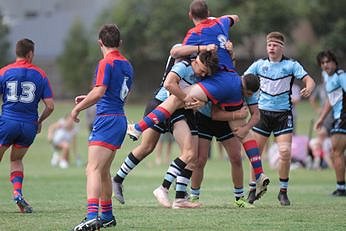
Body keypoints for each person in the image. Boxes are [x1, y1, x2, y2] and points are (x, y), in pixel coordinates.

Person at [128, 0, 270, 200]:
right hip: (233, 80)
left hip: (217, 83)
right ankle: (259, 171)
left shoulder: (194, 35)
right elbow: (235, 17)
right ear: (209, 12)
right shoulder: (221, 23)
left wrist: (202, 46)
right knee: (240, 131)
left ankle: (138, 127)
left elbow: (175, 52)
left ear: (190, 15)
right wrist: (225, 35)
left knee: (177, 99)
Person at [70, 24, 134, 231]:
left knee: (93, 169)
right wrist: (88, 97)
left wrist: (77, 109)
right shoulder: (127, 65)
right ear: (120, 43)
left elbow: (99, 93)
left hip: (106, 119)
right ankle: (106, 216)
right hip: (119, 119)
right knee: (104, 170)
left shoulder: (105, 63)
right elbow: (107, 92)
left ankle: (91, 216)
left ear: (100, 43)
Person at [244, 31, 315, 206]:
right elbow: (243, 80)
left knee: (285, 152)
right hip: (262, 114)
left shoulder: (291, 65)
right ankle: (254, 188)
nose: (271, 48)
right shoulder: (259, 65)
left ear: (282, 47)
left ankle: (283, 191)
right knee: (256, 154)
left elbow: (309, 80)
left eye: (275, 45)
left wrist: (309, 87)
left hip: (283, 115)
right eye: (269, 45)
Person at [189, 73, 260, 208]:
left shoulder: (247, 90)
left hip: (227, 123)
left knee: (236, 158)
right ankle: (194, 197)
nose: (248, 96)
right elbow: (215, 114)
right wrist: (238, 114)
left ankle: (239, 199)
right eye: (247, 93)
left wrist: (246, 128)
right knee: (200, 159)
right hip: (205, 118)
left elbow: (256, 114)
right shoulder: (228, 86)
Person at [0, 38, 54, 213]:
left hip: (7, 122)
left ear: (17, 52)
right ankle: (17, 193)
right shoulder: (41, 75)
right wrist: (39, 121)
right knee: (16, 160)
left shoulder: (4, 72)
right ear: (30, 54)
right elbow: (50, 106)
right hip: (29, 126)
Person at [314, 50, 346, 197]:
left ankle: (341, 188)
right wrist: (321, 119)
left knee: (336, 152)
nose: (326, 65)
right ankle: (341, 187)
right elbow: (330, 100)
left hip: (343, 117)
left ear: (334, 62)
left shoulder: (341, 76)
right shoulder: (327, 78)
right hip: (337, 117)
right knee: (336, 153)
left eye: (328, 62)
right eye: (323, 63)